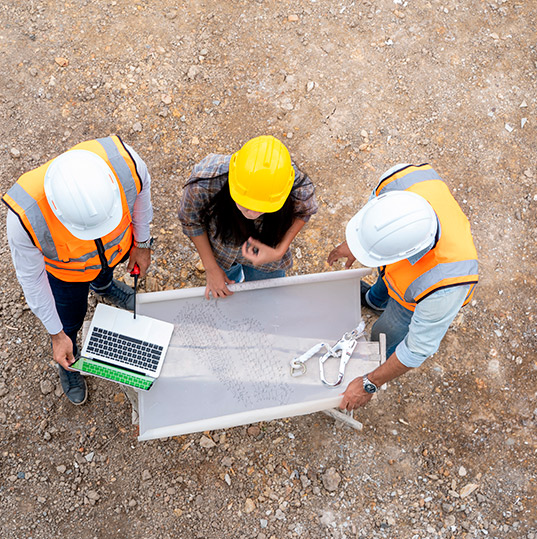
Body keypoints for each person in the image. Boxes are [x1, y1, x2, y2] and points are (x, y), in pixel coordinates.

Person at [3, 136, 154, 405]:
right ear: (58, 210)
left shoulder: (127, 165)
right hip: (66, 276)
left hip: (112, 254)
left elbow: (142, 196)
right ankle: (69, 358)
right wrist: (57, 334)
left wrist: (142, 244)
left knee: (105, 273)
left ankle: (104, 286)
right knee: (69, 318)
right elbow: (33, 281)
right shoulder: (25, 216)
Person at [327, 163, 478, 410]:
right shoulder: (401, 180)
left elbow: (416, 350)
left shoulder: (445, 286)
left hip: (416, 296)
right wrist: (358, 242)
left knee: (387, 330)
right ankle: (375, 301)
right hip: (401, 272)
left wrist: (369, 382)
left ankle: (377, 356)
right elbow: (375, 216)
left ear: (407, 254)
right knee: (384, 284)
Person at [178, 135, 317, 299]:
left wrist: (279, 251)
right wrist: (211, 269)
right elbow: (191, 221)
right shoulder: (206, 180)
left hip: (267, 262)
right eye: (245, 203)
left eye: (262, 207)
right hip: (221, 254)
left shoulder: (294, 186)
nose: (251, 213)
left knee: (266, 298)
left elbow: (306, 210)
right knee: (228, 292)